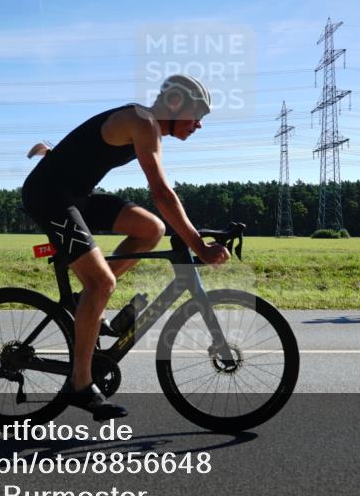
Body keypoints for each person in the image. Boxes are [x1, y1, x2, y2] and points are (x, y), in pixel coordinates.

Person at [21, 74, 231, 420]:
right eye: (197, 115)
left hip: (76, 196)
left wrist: (53, 153)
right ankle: (80, 384)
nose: (199, 125)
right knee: (102, 283)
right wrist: (199, 246)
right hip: (49, 197)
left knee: (152, 229)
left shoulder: (146, 125)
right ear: (175, 105)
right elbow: (161, 193)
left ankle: (86, 299)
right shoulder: (143, 122)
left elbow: (82, 145)